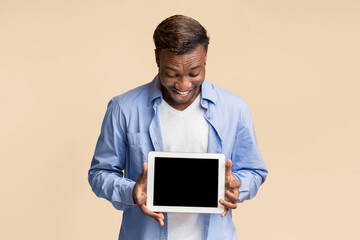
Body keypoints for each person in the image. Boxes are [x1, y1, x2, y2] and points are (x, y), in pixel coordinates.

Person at [88, 15, 268, 240]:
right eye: (171, 74)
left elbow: (255, 171)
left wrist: (238, 187)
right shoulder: (123, 108)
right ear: (157, 59)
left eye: (194, 73)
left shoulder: (234, 108)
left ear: (205, 59)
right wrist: (132, 192)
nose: (183, 85)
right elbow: (100, 173)